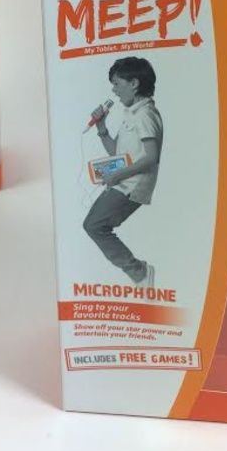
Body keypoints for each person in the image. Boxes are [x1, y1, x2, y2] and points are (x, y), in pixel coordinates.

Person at [83, 56, 163, 286]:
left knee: (95, 225)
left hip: (132, 186)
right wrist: (101, 127)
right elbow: (116, 153)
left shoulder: (145, 115)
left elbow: (151, 157)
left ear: (134, 83)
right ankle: (139, 272)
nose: (114, 90)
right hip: (124, 182)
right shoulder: (133, 113)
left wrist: (117, 175)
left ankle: (140, 273)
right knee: (94, 225)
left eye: (117, 83)